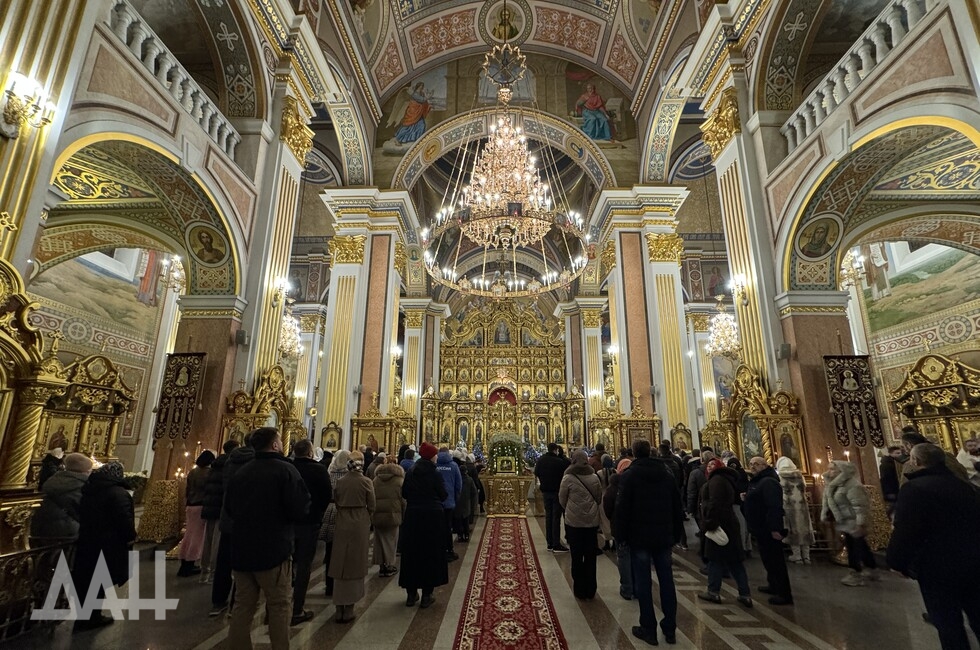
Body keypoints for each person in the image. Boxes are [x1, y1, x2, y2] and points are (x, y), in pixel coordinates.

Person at [887, 443, 980, 650]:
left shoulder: (915, 489)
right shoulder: (966, 486)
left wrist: (896, 561)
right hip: (973, 560)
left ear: (915, 462)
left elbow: (907, 529)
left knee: (947, 622)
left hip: (936, 566)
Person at [225, 428, 310, 650]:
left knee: (242, 606)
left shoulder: (241, 473)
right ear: (274, 445)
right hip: (274, 549)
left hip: (242, 549)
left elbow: (230, 509)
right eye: (280, 441)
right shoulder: (285, 470)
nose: (282, 444)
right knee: (279, 605)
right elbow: (300, 508)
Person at [615, 439, 684, 646]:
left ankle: (648, 628)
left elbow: (622, 509)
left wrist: (621, 537)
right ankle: (670, 628)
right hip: (663, 536)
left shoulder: (630, 475)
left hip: (639, 536)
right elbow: (676, 506)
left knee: (643, 582)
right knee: (667, 581)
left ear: (634, 454)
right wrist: (676, 534)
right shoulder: (666, 474)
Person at [71, 462, 136, 630]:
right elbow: (123, 519)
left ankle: (85, 616)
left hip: (88, 540)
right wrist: (130, 536)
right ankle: (92, 616)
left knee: (88, 579)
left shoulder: (89, 489)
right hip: (108, 543)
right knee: (99, 579)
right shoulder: (118, 493)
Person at [697, 458, 753, 608]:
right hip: (728, 524)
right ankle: (744, 593)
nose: (709, 468)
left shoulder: (717, 481)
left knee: (715, 560)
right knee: (734, 561)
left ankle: (713, 591)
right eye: (708, 465)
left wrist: (709, 523)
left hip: (719, 525)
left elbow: (715, 503)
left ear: (719, 467)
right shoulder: (724, 479)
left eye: (712, 465)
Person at [399, 442, 449, 608]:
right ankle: (427, 595)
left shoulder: (412, 472)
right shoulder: (435, 473)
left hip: (413, 515)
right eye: (434, 454)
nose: (436, 457)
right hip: (432, 517)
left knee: (412, 552)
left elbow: (404, 493)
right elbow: (443, 494)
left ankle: (411, 594)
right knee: (430, 553)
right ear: (430, 456)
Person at [328, 450, 375, 624]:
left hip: (342, 522)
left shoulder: (339, 482)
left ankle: (339, 605)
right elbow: (372, 504)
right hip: (359, 522)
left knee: (340, 560)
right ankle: (349, 608)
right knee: (356, 561)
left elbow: (337, 500)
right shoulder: (366, 482)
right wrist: (366, 516)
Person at [210, 434, 254, 616]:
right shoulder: (255, 462)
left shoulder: (230, 461)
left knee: (224, 561)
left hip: (228, 516)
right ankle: (238, 604)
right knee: (245, 564)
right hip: (248, 519)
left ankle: (218, 601)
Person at [291, 439, 331, 625]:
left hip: (287, 523)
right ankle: (297, 608)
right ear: (310, 452)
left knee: (284, 564)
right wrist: (318, 513)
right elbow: (325, 496)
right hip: (310, 522)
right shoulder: (318, 470)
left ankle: (274, 608)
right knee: (304, 565)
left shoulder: (287, 467)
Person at [743, 456, 793, 605]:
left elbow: (774, 507)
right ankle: (773, 585)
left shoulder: (769, 482)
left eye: (756, 464)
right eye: (751, 464)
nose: (752, 467)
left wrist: (775, 528)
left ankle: (784, 593)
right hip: (761, 527)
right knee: (767, 559)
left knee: (776, 560)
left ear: (765, 465)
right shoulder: (759, 481)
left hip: (769, 528)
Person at [820, 460, 878, 586]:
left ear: (842, 471)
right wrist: (826, 514)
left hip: (854, 521)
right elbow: (829, 501)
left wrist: (860, 523)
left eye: (832, 469)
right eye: (829, 468)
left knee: (854, 547)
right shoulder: (834, 485)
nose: (829, 472)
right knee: (860, 545)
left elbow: (860, 505)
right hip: (845, 521)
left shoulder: (852, 485)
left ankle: (855, 573)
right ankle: (871, 568)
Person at [558, 450, 601, 600]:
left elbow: (562, 499)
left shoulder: (568, 477)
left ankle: (579, 589)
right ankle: (591, 588)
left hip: (574, 523)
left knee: (576, 555)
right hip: (591, 522)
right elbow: (598, 497)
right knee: (590, 555)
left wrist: (570, 509)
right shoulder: (594, 477)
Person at [30, 452, 92, 545]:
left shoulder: (54, 479)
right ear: (85, 471)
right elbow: (85, 512)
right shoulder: (81, 485)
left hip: (42, 527)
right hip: (68, 531)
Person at [200, 439, 238, 586]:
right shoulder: (229, 466)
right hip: (221, 508)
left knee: (208, 540)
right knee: (218, 541)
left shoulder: (214, 465)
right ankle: (214, 572)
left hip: (210, 506)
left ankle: (204, 572)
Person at [177, 450, 215, 577]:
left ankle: (184, 562)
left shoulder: (193, 471)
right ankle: (190, 564)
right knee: (197, 537)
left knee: (189, 534)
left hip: (190, 504)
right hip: (200, 505)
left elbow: (187, 488)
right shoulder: (208, 473)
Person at [320, 449, 350, 597]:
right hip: (345, 513)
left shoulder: (328, 473)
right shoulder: (350, 476)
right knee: (344, 550)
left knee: (330, 549)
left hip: (330, 511)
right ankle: (342, 583)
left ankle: (329, 584)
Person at [602, 456, 633, 600]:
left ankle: (627, 587)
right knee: (636, 557)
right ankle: (636, 587)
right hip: (637, 526)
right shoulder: (635, 480)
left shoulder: (615, 483)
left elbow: (608, 505)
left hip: (621, 524)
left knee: (625, 557)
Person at [775, 456, 815, 564]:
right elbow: (804, 487)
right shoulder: (799, 475)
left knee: (792, 530)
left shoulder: (780, 476)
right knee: (804, 529)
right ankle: (807, 557)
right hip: (802, 507)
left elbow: (778, 491)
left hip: (788, 506)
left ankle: (797, 556)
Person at [898, 428, 969, 486]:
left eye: (903, 446)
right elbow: (963, 473)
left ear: (909, 445)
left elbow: (905, 486)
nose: (902, 449)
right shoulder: (947, 455)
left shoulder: (912, 463)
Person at [534, 442, 570, 552]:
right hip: (556, 492)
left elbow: (536, 472)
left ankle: (549, 543)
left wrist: (544, 482)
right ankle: (556, 544)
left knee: (548, 517)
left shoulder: (541, 460)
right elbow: (565, 474)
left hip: (545, 492)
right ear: (556, 450)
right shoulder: (559, 462)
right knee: (556, 518)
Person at [373, 456, 405, 577]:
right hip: (393, 514)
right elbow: (403, 500)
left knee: (379, 541)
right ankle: (389, 565)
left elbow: (371, 498)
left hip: (377, 513)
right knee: (391, 540)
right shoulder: (399, 481)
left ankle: (382, 565)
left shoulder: (375, 480)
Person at [435, 446, 462, 560]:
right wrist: (455, 499)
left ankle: (436, 550)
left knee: (435, 526)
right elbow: (458, 485)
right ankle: (449, 550)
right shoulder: (453, 465)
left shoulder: (434, 465)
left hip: (435, 501)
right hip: (449, 501)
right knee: (447, 526)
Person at [878, 445, 906, 517]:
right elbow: (886, 479)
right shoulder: (887, 464)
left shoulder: (894, 463)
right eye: (897, 453)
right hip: (891, 490)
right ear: (890, 454)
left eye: (900, 453)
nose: (900, 455)